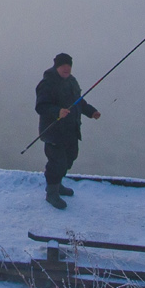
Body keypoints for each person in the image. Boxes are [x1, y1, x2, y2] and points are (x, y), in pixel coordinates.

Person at [34, 53, 100, 209]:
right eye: (63, 65)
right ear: (57, 67)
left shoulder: (72, 81)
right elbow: (41, 106)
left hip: (71, 130)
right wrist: (57, 111)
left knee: (70, 158)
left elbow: (79, 102)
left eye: (69, 65)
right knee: (57, 162)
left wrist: (91, 112)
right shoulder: (47, 83)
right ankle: (52, 193)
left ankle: (58, 184)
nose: (66, 68)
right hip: (54, 132)